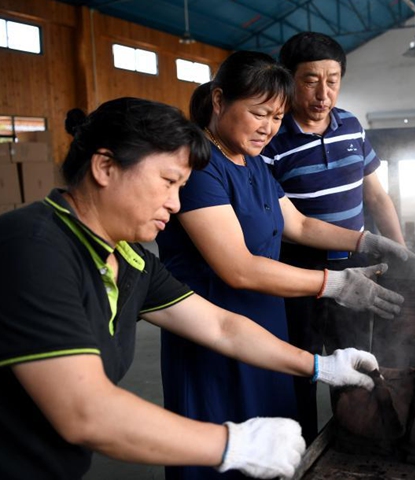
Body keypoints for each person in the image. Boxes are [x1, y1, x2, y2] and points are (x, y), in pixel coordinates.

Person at [0, 97, 381, 480]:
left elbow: (222, 327)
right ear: (105, 167)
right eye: (167, 182)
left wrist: (320, 365)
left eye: (181, 187)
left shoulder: (132, 261)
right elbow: (85, 411)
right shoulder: (34, 248)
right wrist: (230, 444)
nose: (175, 203)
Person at [155, 51, 413, 479]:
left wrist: (367, 239)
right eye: (259, 114)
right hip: (213, 333)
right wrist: (334, 283)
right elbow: (237, 267)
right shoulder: (201, 168)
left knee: (270, 444)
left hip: (263, 328)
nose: (268, 128)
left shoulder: (252, 162)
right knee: (222, 450)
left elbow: (299, 224)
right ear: (219, 101)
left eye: (276, 117)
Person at [262, 32, 410, 442]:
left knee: (356, 356)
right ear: (288, 80)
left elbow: (376, 195)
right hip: (299, 270)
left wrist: (400, 248)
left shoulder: (351, 126)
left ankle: (354, 439)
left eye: (332, 79)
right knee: (304, 364)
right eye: (310, 80)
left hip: (358, 264)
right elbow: (286, 221)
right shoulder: (271, 140)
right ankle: (303, 447)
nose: (323, 93)